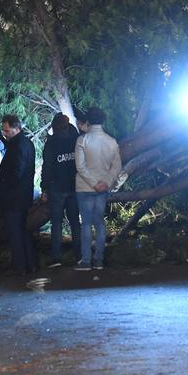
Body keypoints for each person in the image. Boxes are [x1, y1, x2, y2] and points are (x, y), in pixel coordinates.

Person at [74, 107, 121, 272]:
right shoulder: (111, 141)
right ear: (103, 120)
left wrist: (93, 182)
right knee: (99, 223)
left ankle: (86, 261)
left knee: (86, 223)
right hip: (103, 187)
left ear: (88, 121)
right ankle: (99, 260)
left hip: (84, 187)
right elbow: (116, 166)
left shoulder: (82, 140)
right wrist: (105, 182)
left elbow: (80, 167)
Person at [0, 115, 37, 275]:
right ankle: (30, 264)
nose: (4, 133)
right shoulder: (26, 143)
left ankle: (20, 267)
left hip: (14, 197)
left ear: (16, 128)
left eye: (6, 130)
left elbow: (15, 173)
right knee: (23, 231)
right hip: (23, 195)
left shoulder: (17, 145)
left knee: (15, 232)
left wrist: (4, 191)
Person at [41, 113, 81, 268]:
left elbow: (47, 167)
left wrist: (44, 187)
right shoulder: (75, 141)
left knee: (56, 224)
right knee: (75, 223)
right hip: (74, 186)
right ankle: (79, 255)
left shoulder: (51, 144)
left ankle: (57, 258)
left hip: (56, 188)